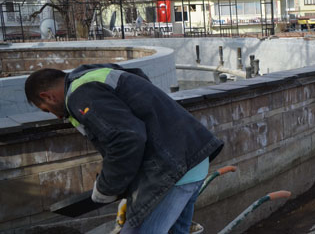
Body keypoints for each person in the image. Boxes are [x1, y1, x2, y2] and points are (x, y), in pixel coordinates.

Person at [24, 64, 223, 233]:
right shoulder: (95, 74)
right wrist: (134, 191)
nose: (56, 116)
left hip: (173, 169)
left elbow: (126, 138)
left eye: (46, 110)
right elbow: (140, 84)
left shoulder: (80, 94)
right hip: (192, 158)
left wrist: (108, 188)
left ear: (48, 96)